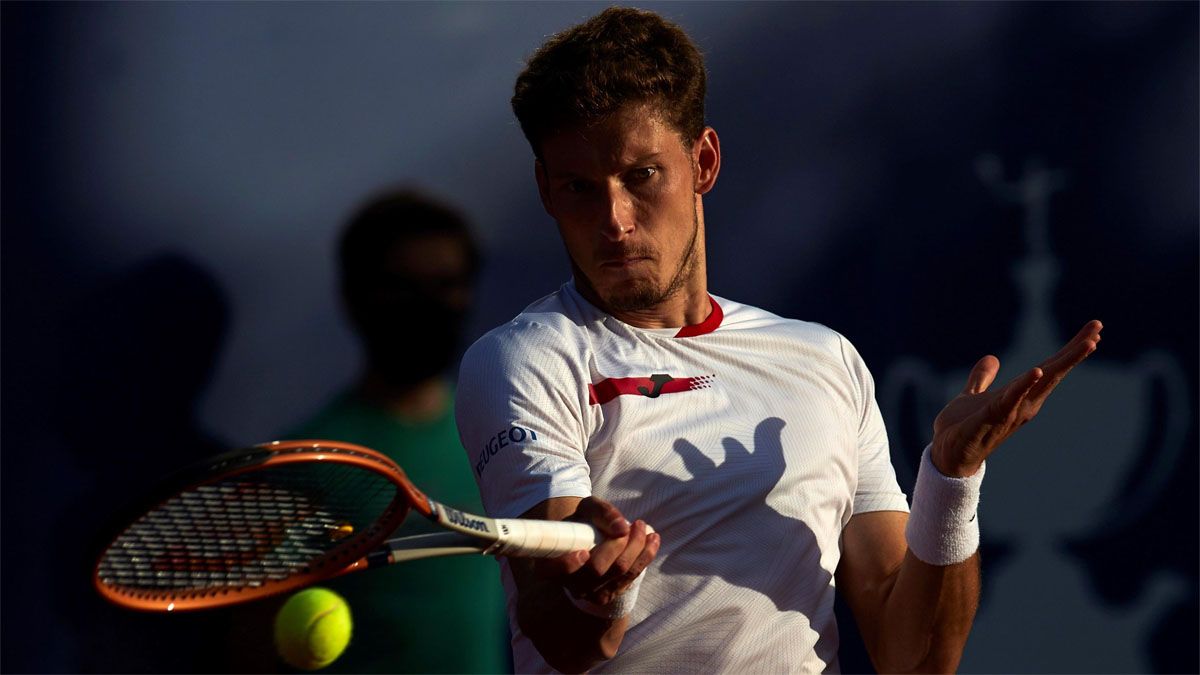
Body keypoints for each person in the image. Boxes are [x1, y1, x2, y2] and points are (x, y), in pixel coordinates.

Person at [454, 7, 1103, 674]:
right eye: (579, 188)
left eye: (642, 175)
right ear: (545, 190)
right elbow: (560, 633)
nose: (614, 220)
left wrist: (951, 477)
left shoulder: (824, 360)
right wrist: (600, 598)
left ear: (702, 162)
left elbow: (918, 659)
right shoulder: (523, 360)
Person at [285, 188, 510, 673]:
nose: (426, 306)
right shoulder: (308, 462)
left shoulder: (507, 435)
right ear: (354, 299)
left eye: (446, 284)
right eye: (402, 288)